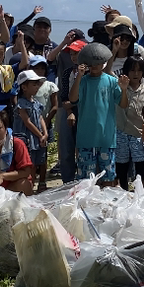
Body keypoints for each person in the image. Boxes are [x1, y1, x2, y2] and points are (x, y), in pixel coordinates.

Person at [69, 42, 129, 186]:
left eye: (98, 62)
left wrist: (124, 90)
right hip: (86, 139)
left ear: (103, 62)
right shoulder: (83, 81)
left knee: (108, 178)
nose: (94, 65)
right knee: (85, 181)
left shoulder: (112, 81)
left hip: (106, 139)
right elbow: (72, 98)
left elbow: (123, 104)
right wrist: (78, 77)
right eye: (91, 63)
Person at [115, 56, 144, 190]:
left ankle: (139, 191)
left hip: (138, 132)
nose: (135, 74)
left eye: (139, 70)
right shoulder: (119, 87)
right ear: (126, 71)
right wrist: (124, 88)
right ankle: (124, 190)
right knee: (122, 164)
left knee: (139, 163)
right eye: (132, 70)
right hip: (121, 130)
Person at [56, 39, 87, 184]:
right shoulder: (67, 71)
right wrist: (69, 111)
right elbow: (63, 95)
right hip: (69, 111)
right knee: (66, 147)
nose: (74, 57)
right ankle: (67, 181)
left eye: (77, 53)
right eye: (72, 54)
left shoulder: (90, 73)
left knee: (84, 148)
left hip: (86, 112)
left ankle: (84, 180)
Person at [14, 69, 49, 191]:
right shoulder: (21, 104)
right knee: (29, 164)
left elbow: (40, 118)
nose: (37, 87)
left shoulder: (36, 103)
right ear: (24, 87)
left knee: (37, 163)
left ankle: (33, 186)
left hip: (37, 138)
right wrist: (40, 135)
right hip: (28, 139)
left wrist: (45, 133)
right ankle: (29, 188)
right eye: (34, 84)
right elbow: (27, 122)